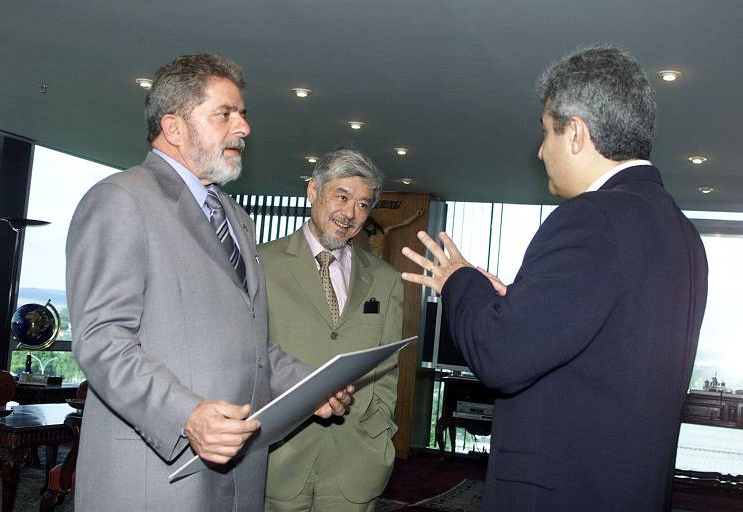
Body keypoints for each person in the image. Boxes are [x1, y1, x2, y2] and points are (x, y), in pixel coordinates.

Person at [400, 46, 708, 511]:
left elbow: (501, 356)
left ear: (577, 133)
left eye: (546, 132)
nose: (541, 150)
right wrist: (512, 302)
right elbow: (597, 341)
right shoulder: (682, 234)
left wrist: (459, 282)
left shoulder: (591, 219)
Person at [66, 53, 351, 512]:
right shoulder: (119, 201)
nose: (243, 127)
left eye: (242, 113)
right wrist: (186, 416)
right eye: (225, 114)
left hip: (238, 472)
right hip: (156, 476)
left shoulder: (235, 217)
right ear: (174, 128)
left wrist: (311, 385)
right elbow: (102, 340)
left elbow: (252, 345)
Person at [260, 148, 403, 511]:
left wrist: (380, 439)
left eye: (363, 204)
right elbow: (247, 356)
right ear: (313, 191)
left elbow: (387, 373)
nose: (350, 214)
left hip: (355, 467)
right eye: (342, 196)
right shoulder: (261, 263)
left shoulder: (385, 280)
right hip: (276, 460)